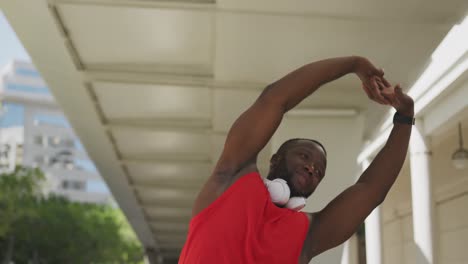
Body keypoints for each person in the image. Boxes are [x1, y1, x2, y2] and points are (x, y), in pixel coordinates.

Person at [178, 56, 414, 264]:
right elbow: (274, 100)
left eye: (319, 172)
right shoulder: (230, 177)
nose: (312, 168)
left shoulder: (309, 235)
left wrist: (404, 119)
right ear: (275, 159)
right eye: (304, 156)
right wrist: (353, 64)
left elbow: (371, 190)